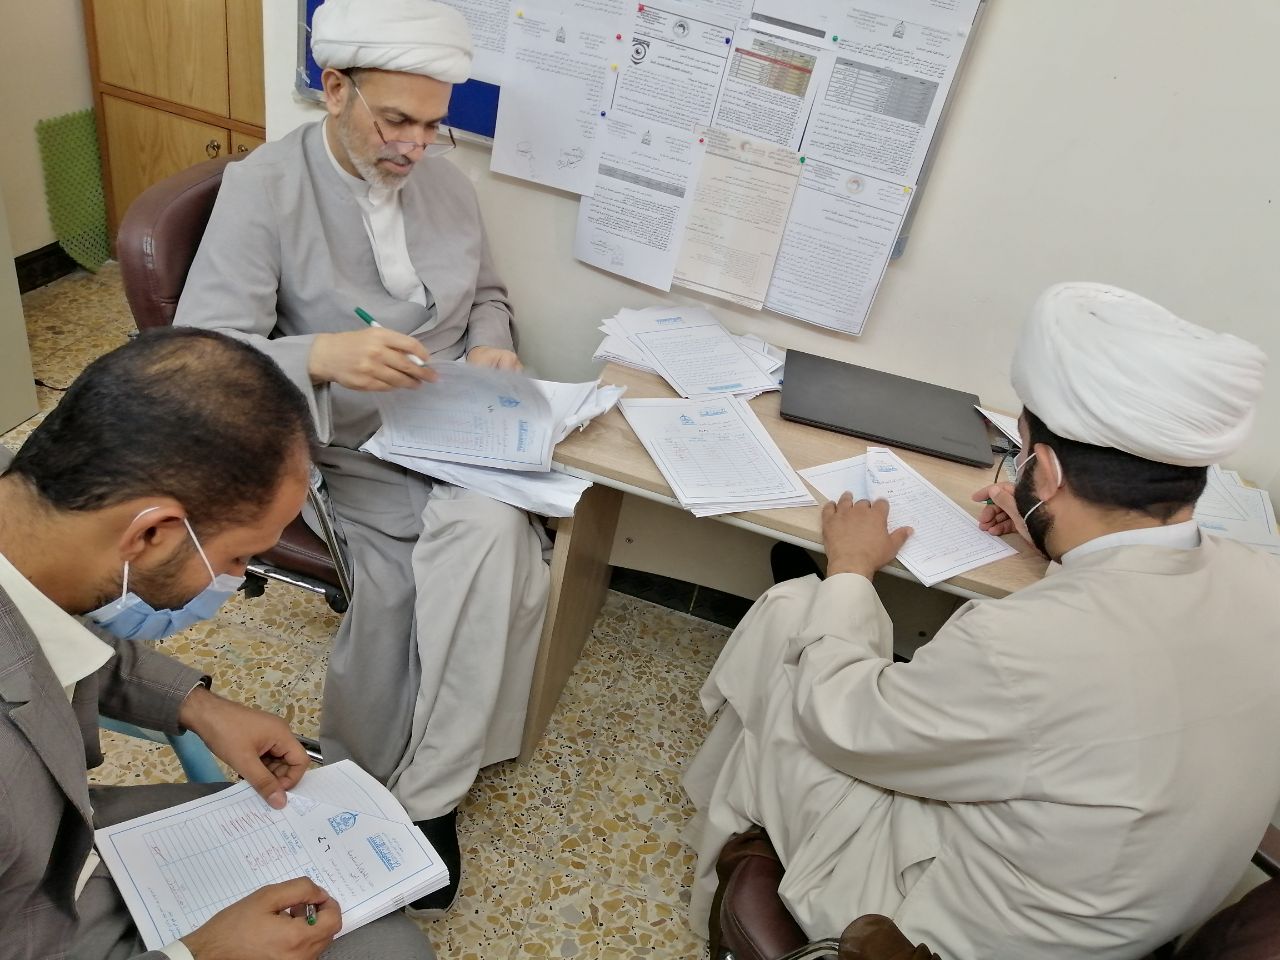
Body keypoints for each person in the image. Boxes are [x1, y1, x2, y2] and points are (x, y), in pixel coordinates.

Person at [683, 282, 1280, 960]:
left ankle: (720, 898)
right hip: (1119, 917)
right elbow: (1139, 631)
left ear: (1045, 470)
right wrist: (1057, 537)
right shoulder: (1265, 581)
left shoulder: (1020, 643)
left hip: (945, 929)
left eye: (1020, 452)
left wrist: (849, 566)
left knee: (795, 619)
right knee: (820, 634)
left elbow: (843, 725)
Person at [173, 0, 549, 913]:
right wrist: (320, 355)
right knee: (448, 564)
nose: (415, 147)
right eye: (396, 121)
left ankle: (430, 785)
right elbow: (197, 354)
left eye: (432, 125)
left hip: (461, 426)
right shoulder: (265, 189)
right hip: (349, 444)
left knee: (497, 540)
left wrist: (492, 346)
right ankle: (399, 791)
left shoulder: (443, 180)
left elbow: (488, 294)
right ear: (335, 89)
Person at [0, 329, 433, 960]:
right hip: (31, 917)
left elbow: (49, 630)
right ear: (152, 535)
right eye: (237, 557)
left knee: (379, 933)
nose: (236, 580)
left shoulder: (29, 519)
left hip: (63, 832)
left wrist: (196, 705)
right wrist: (200, 954)